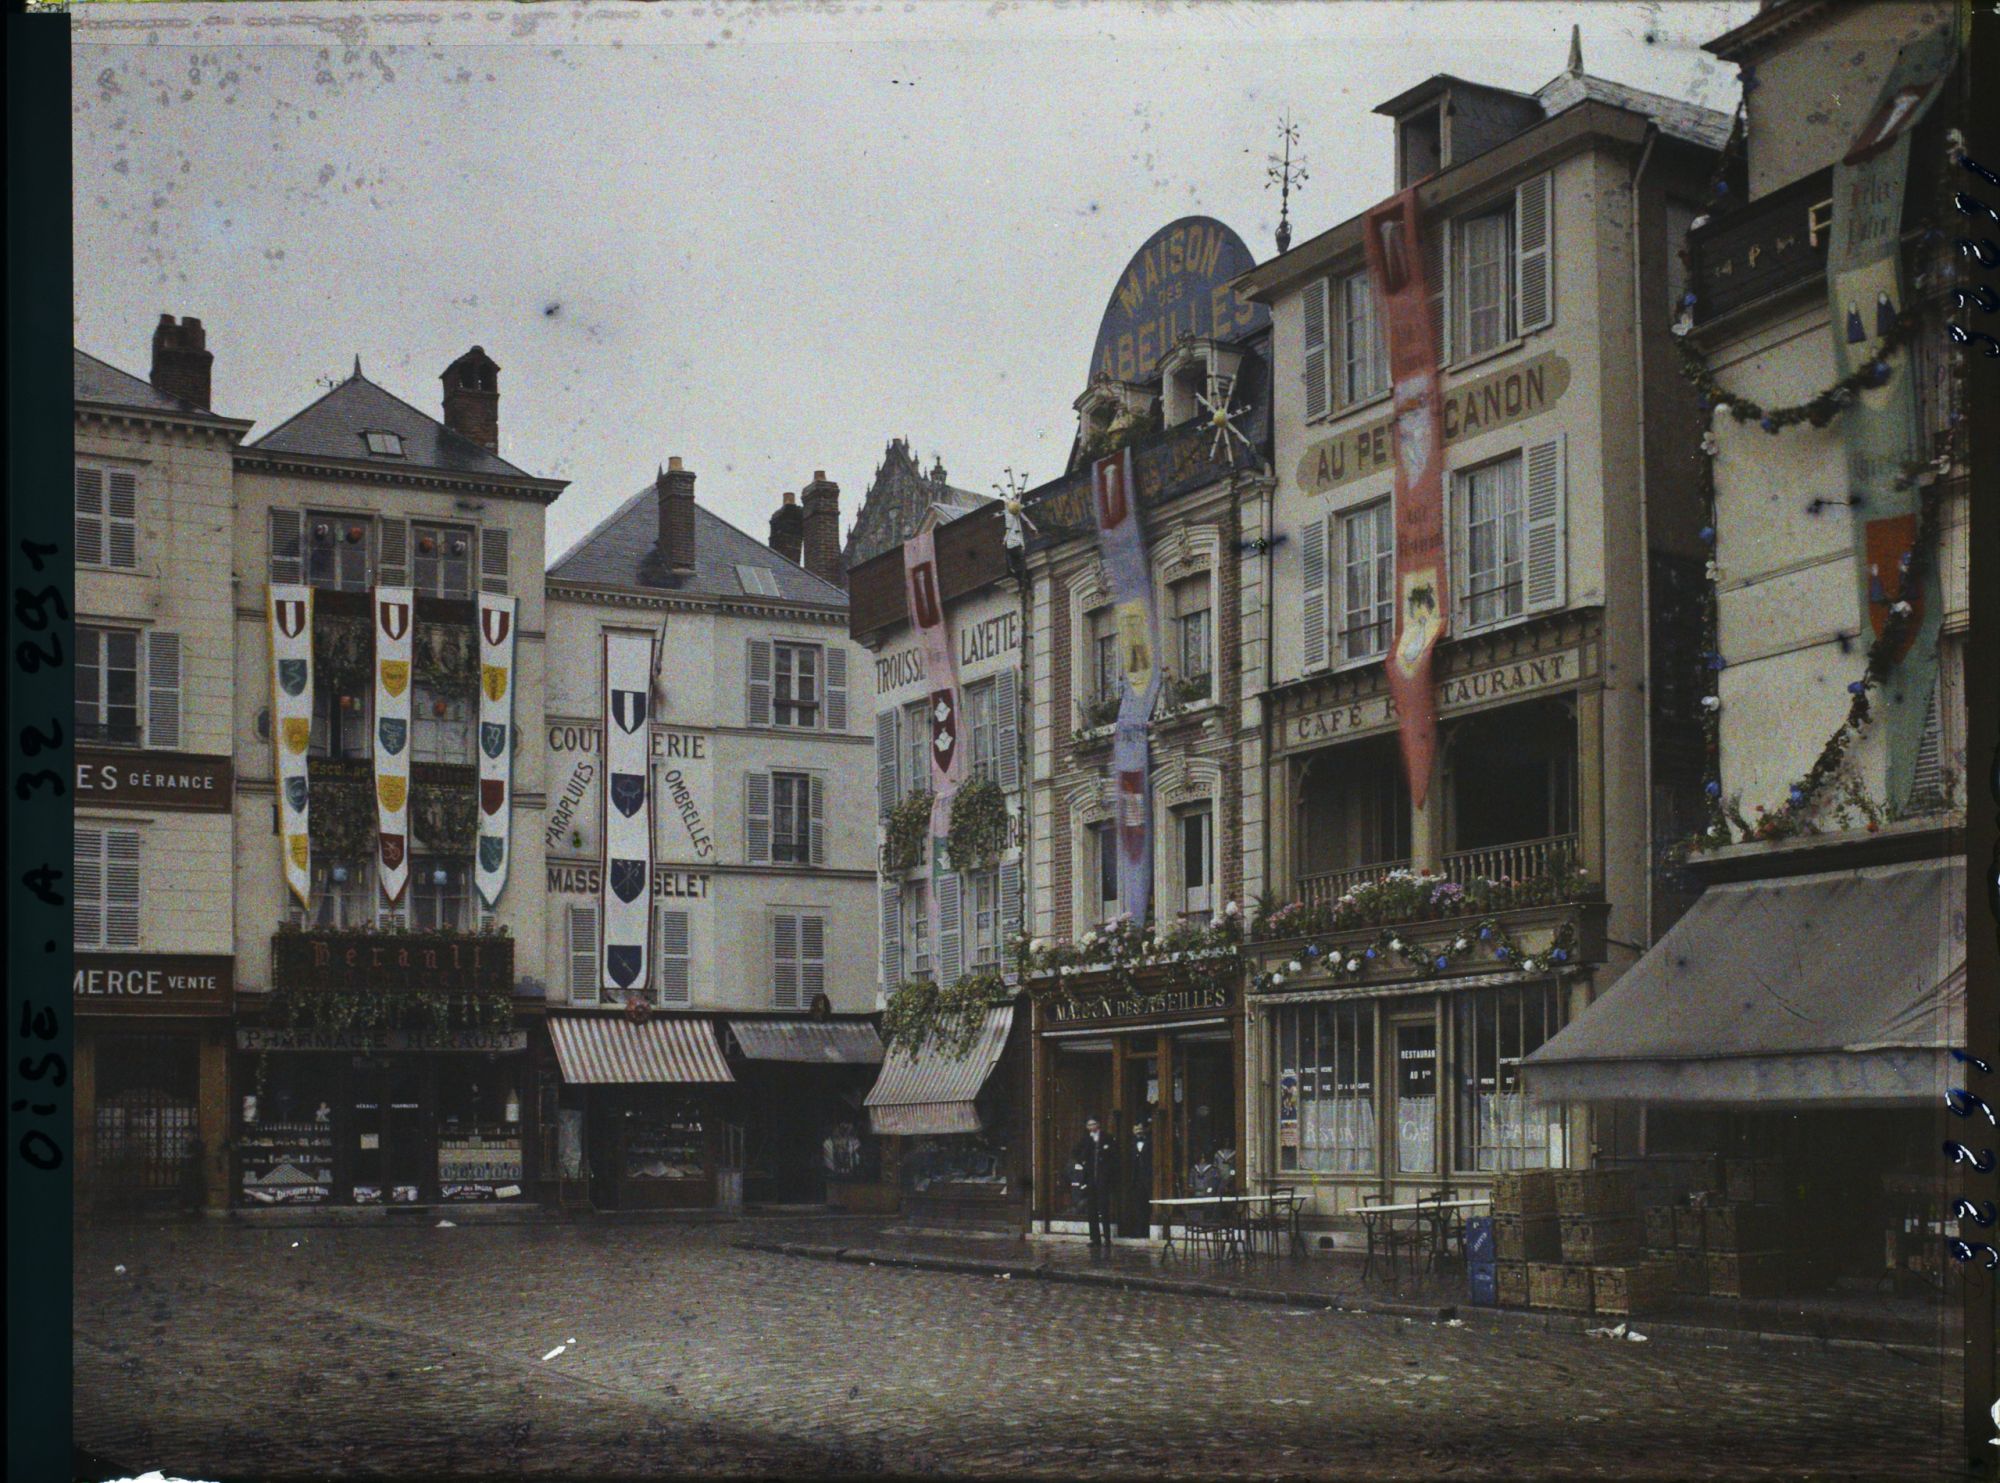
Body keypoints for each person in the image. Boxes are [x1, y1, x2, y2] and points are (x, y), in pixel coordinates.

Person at [1069, 1115, 1119, 1250]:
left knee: (1104, 1209)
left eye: (1094, 1124)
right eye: (1089, 1125)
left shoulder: (1107, 1138)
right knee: (1091, 1210)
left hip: (1103, 1180)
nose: (1092, 1127)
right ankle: (1094, 1238)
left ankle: (1107, 1237)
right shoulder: (1085, 1140)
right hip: (1090, 1180)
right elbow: (1075, 1152)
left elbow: (1114, 1157)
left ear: (1099, 1124)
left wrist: (1109, 1173)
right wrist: (1083, 1162)